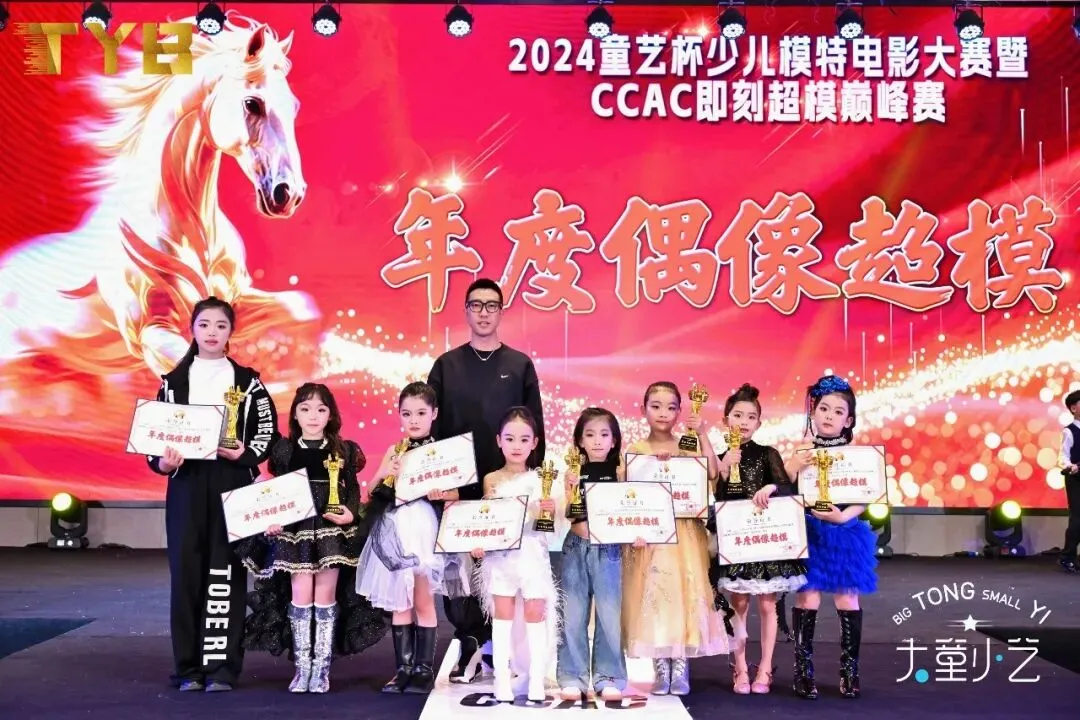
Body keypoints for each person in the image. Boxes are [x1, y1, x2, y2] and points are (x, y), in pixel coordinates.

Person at [145, 296, 279, 692]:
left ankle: (221, 669)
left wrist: (245, 455)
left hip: (230, 482)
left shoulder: (248, 382)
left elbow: (266, 432)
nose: (212, 333)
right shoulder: (172, 383)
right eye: (204, 325)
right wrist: (163, 464)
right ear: (192, 329)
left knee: (227, 573)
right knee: (186, 574)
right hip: (186, 482)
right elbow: (154, 437)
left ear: (231, 331)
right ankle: (188, 669)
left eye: (221, 325)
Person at [426, 277, 546, 682]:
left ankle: (499, 647)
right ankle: (468, 643)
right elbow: (430, 431)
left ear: (501, 311)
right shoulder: (445, 366)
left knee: (503, 569)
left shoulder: (519, 365)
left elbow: (535, 427)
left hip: (506, 489)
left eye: (491, 305)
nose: (483, 312)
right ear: (466, 311)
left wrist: (529, 486)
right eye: (476, 305)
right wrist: (438, 483)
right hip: (458, 489)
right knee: (460, 572)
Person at [239, 383, 386, 694]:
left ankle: (321, 668)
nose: (313, 416)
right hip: (296, 531)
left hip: (331, 531)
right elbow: (276, 491)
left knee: (325, 595)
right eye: (305, 409)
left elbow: (350, 490)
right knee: (300, 594)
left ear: (330, 415)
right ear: (295, 414)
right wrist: (272, 520)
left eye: (321, 409)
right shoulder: (284, 450)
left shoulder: (344, 450)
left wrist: (350, 513)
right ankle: (302, 667)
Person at [622, 381, 736, 696]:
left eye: (671, 407)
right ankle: (661, 663)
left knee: (685, 594)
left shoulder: (688, 444)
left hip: (686, 533)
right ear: (643, 409)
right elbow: (627, 493)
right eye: (656, 406)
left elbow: (713, 474)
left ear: (679, 412)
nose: (663, 413)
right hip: (652, 536)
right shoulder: (636, 451)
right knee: (657, 596)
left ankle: (681, 663)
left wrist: (702, 434)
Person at [357, 381, 467, 694]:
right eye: (407, 414)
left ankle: (423, 670)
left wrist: (442, 493)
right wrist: (387, 472)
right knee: (399, 602)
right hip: (394, 529)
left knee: (422, 599)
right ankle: (402, 670)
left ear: (434, 413)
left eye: (421, 413)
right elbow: (372, 489)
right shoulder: (395, 450)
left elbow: (458, 493)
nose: (414, 420)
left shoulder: (442, 451)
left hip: (424, 528)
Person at [782, 374, 878, 699]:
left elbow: (868, 494)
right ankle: (803, 671)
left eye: (838, 412)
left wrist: (843, 517)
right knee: (807, 597)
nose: (829, 416)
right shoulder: (801, 451)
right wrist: (792, 466)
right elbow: (784, 487)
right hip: (808, 532)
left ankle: (850, 671)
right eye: (823, 409)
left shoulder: (855, 455)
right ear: (813, 412)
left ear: (848, 420)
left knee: (847, 598)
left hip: (845, 532)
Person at [712, 383, 806, 695]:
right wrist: (722, 469)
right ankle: (739, 667)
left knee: (768, 605)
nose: (743, 421)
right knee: (738, 603)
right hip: (735, 542)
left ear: (759, 423)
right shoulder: (720, 459)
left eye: (750, 417)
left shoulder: (768, 454)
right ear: (726, 420)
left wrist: (771, 487)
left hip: (766, 543)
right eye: (737, 415)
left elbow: (787, 487)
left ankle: (765, 668)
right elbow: (715, 499)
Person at [471, 407, 558, 703]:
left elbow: (549, 524)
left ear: (535, 442)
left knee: (535, 615)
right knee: (503, 616)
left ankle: (536, 679)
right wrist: (480, 543)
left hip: (533, 555)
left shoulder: (543, 479)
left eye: (524, 439)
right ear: (499, 441)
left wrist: (549, 509)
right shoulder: (492, 479)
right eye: (510, 439)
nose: (516, 446)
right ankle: (502, 680)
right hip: (502, 558)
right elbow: (488, 518)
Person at [557, 408, 627, 702]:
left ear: (614, 440)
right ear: (579, 440)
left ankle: (608, 676)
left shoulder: (621, 472)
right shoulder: (571, 472)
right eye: (590, 434)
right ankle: (572, 675)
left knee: (610, 615)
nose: (597, 441)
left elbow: (632, 508)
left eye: (604, 434)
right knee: (572, 615)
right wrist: (569, 488)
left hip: (610, 549)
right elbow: (567, 512)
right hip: (576, 546)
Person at [1057, 389, 1080, 573]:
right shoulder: (1069, 431)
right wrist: (1070, 466)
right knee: (1077, 519)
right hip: (1076, 478)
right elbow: (1062, 457)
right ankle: (1068, 557)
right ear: (1073, 408)